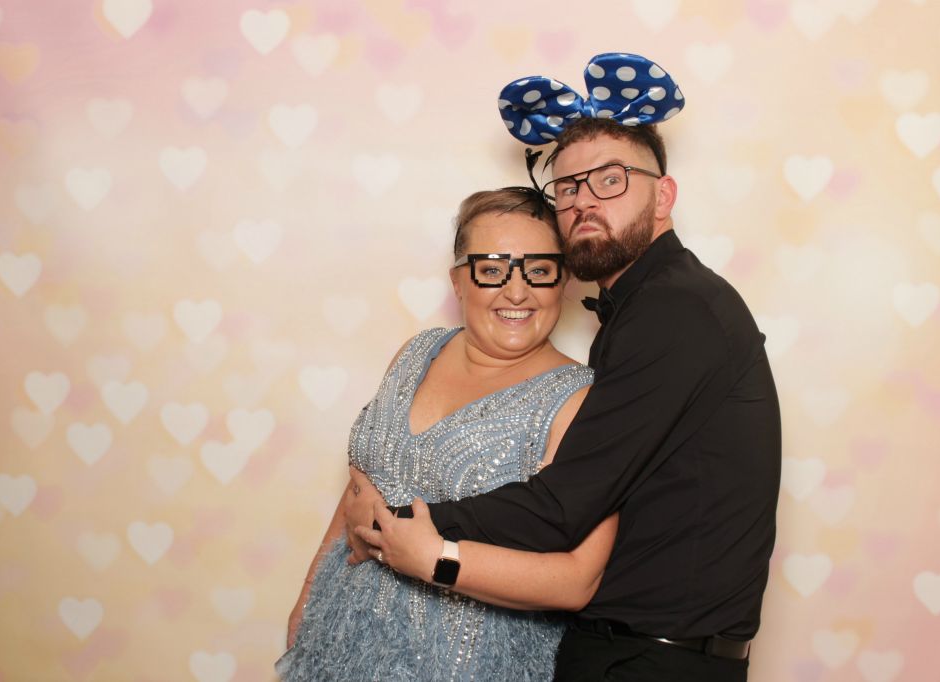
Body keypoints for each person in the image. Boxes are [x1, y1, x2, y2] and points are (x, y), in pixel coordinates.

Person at [350, 53, 781, 682]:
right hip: (632, 651)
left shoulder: (676, 312)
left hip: (654, 661)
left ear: (663, 196)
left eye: (610, 180)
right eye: (569, 187)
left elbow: (563, 507)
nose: (583, 201)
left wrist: (409, 525)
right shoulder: (639, 312)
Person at [277, 186, 620, 681]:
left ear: (562, 280)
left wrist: (432, 559)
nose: (516, 291)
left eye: (539, 270)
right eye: (491, 270)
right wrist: (308, 600)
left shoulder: (581, 401)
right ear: (458, 281)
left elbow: (576, 581)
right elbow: (359, 491)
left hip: (467, 665)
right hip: (337, 641)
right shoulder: (417, 353)